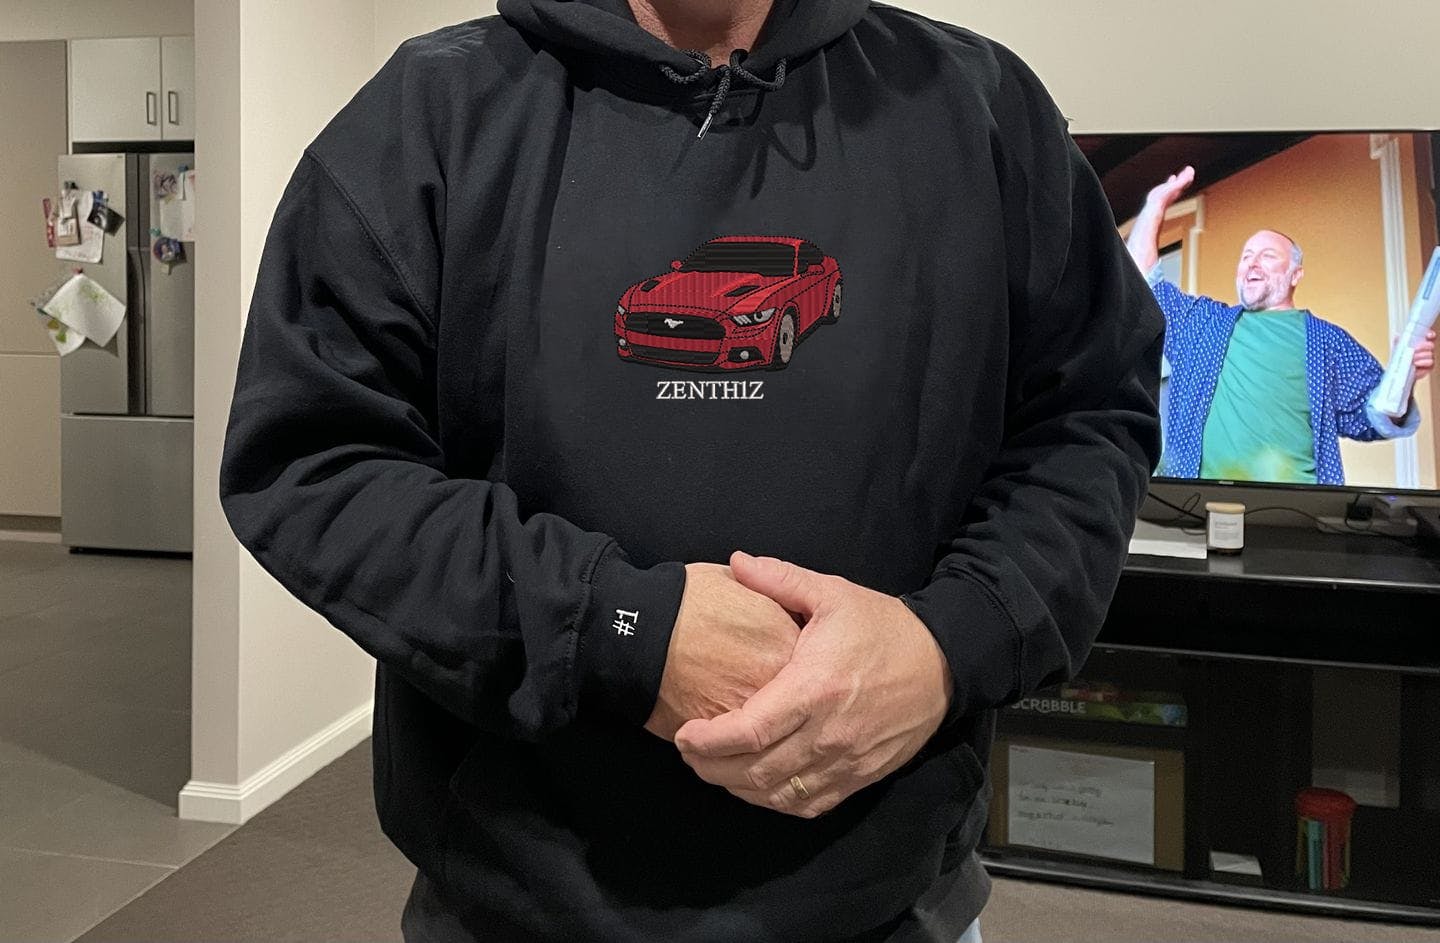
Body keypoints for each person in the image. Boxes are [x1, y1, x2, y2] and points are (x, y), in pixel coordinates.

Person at [217, 1, 1163, 940]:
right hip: (521, 902)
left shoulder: (980, 107)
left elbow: (1088, 415)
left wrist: (947, 642)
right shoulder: (431, 111)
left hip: (897, 898)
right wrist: (617, 628)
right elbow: (314, 460)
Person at [1126, 165, 1437, 485]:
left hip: (1297, 505)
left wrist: (1403, 373)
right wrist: (1155, 205)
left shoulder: (1328, 341)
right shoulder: (1203, 324)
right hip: (1198, 501)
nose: (1252, 263)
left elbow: (1376, 416)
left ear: (1295, 274)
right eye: (1246, 256)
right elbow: (1141, 280)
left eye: (1267, 256)